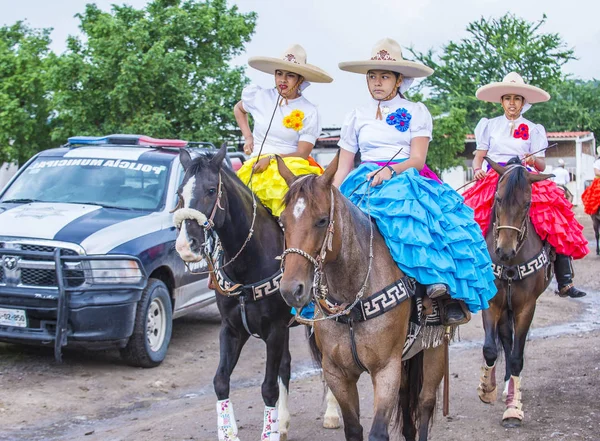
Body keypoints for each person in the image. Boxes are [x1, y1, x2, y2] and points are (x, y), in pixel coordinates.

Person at [333, 38, 497, 325]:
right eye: (372, 76)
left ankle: (437, 295)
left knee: (418, 225)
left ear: (399, 80)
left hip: (404, 176)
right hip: (362, 180)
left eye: (384, 76)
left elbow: (418, 159)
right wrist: (330, 194)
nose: (377, 82)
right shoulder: (355, 115)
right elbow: (344, 165)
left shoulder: (417, 111)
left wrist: (391, 171)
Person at [463, 72, 588, 298]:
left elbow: (541, 165)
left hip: (524, 176)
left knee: (556, 217)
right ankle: (466, 275)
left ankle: (564, 279)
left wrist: (533, 160)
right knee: (467, 219)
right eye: (508, 98)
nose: (512, 103)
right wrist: (478, 168)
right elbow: (478, 156)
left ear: (523, 102)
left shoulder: (533, 128)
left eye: (517, 98)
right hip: (496, 176)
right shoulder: (489, 125)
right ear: (501, 101)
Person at [234, 44, 333, 216]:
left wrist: (272, 159)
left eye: (290, 75)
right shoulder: (260, 96)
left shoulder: (309, 111)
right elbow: (238, 109)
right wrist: (248, 137)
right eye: (279, 74)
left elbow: (302, 153)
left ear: (300, 79)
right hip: (256, 164)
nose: (283, 80)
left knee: (293, 210)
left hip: (290, 166)